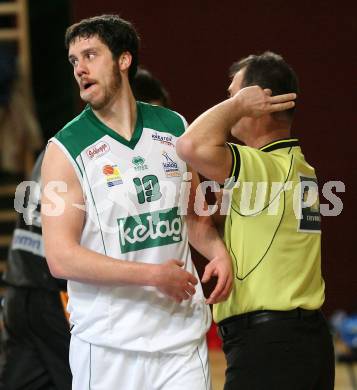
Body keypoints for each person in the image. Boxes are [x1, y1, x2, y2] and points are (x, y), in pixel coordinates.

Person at [41, 15, 233, 390]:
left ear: (123, 60)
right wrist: (152, 275)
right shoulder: (65, 150)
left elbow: (193, 218)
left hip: (181, 340)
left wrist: (218, 252)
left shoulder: (175, 127)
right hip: (110, 346)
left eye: (91, 55)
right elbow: (60, 257)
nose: (80, 68)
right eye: (74, 60)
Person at [176, 51, 334, 389]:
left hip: (272, 349)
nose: (230, 103)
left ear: (261, 102)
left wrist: (240, 104)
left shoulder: (265, 167)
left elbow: (189, 144)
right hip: (297, 343)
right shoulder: (293, 167)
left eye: (235, 95)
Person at [0, 152, 72, 390]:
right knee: (83, 379)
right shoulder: (83, 150)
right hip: (50, 293)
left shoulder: (53, 149)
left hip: (18, 286)